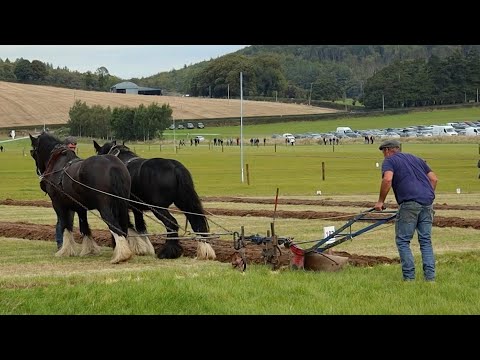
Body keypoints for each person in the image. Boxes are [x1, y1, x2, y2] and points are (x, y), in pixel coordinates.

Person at [374, 139, 438, 282]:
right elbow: (434, 179)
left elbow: (387, 180)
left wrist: (380, 201)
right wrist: (426, 196)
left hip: (409, 203)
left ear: (387, 150)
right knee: (425, 241)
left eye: (383, 151)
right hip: (427, 203)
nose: (384, 154)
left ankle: (409, 279)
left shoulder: (389, 161)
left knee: (403, 241)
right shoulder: (416, 158)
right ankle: (430, 278)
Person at [55, 136, 77, 249]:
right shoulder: (60, 160)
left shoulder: (75, 160)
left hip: (71, 196)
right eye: (71, 147)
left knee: (70, 219)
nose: (73, 149)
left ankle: (68, 242)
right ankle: (60, 242)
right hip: (61, 197)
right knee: (61, 219)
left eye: (74, 147)